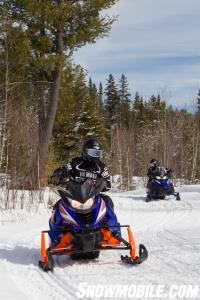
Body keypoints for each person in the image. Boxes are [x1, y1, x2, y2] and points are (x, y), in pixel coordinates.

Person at [49, 138, 113, 209]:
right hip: (74, 197)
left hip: (93, 198)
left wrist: (103, 184)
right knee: (58, 206)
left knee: (108, 201)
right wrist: (57, 174)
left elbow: (108, 183)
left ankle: (111, 220)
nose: (95, 156)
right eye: (93, 153)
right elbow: (65, 168)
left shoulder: (101, 167)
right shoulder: (75, 162)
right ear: (85, 151)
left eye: (98, 153)